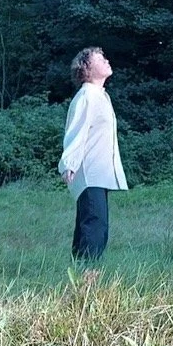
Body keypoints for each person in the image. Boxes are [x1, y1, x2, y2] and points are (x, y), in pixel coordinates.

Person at [57, 47, 128, 261]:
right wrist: (69, 163)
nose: (107, 60)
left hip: (98, 173)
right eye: (101, 58)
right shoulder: (88, 95)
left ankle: (80, 278)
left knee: (91, 226)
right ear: (87, 68)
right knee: (95, 227)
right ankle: (88, 281)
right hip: (89, 173)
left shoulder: (99, 96)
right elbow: (76, 131)